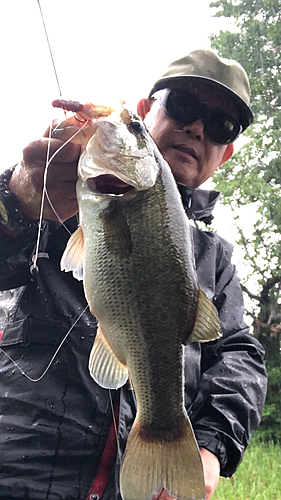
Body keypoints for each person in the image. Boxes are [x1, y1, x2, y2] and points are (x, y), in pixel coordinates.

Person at [0, 49, 267, 500]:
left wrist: (210, 447)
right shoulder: (52, 196)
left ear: (225, 155)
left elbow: (240, 355)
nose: (197, 128)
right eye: (182, 106)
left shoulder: (215, 260)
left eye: (220, 126)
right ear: (145, 112)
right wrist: (15, 202)